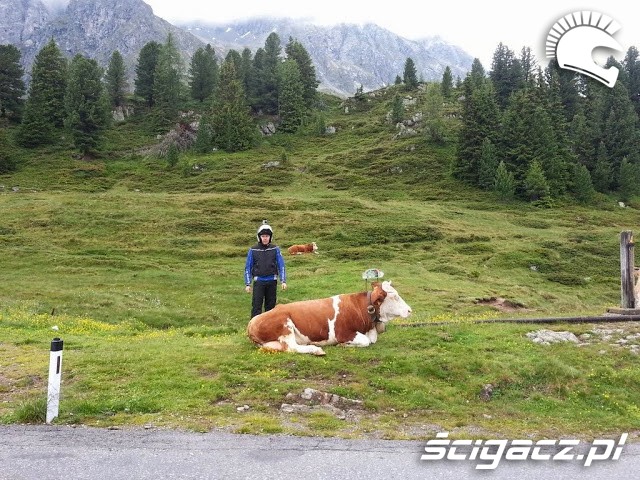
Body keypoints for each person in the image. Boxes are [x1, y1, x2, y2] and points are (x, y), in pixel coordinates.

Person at [244, 220, 287, 319]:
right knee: (256, 306)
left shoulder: (275, 249)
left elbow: (281, 265)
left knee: (271, 307)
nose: (265, 238)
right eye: (263, 236)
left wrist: (283, 281)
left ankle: (269, 326)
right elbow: (248, 267)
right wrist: (248, 283)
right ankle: (254, 326)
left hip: (272, 281)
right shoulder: (253, 250)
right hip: (259, 282)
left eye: (267, 236)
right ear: (259, 237)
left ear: (270, 237)